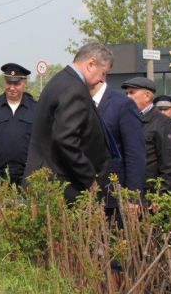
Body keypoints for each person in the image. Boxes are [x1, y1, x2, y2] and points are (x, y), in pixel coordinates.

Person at [23, 43, 117, 203]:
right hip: (60, 184)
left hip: (47, 179)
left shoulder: (61, 80)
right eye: (103, 73)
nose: (102, 80)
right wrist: (88, 178)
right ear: (91, 64)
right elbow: (66, 140)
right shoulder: (74, 89)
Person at [89, 80, 145, 215]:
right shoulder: (78, 102)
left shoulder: (122, 104)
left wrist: (132, 197)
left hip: (113, 196)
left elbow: (134, 153)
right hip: (85, 195)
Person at [122, 77, 171, 193]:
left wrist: (161, 194)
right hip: (128, 189)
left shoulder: (163, 122)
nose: (127, 97)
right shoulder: (127, 118)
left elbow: (168, 164)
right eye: (126, 93)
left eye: (132, 92)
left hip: (149, 193)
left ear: (147, 96)